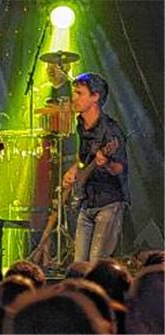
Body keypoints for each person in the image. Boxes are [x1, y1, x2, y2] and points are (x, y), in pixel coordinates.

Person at [62, 73, 128, 263]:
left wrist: (106, 162)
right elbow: (83, 159)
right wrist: (74, 170)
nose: (73, 98)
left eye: (79, 93)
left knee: (96, 266)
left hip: (108, 202)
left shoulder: (111, 131)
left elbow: (120, 169)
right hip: (88, 202)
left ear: (95, 97)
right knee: (79, 265)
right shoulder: (81, 126)